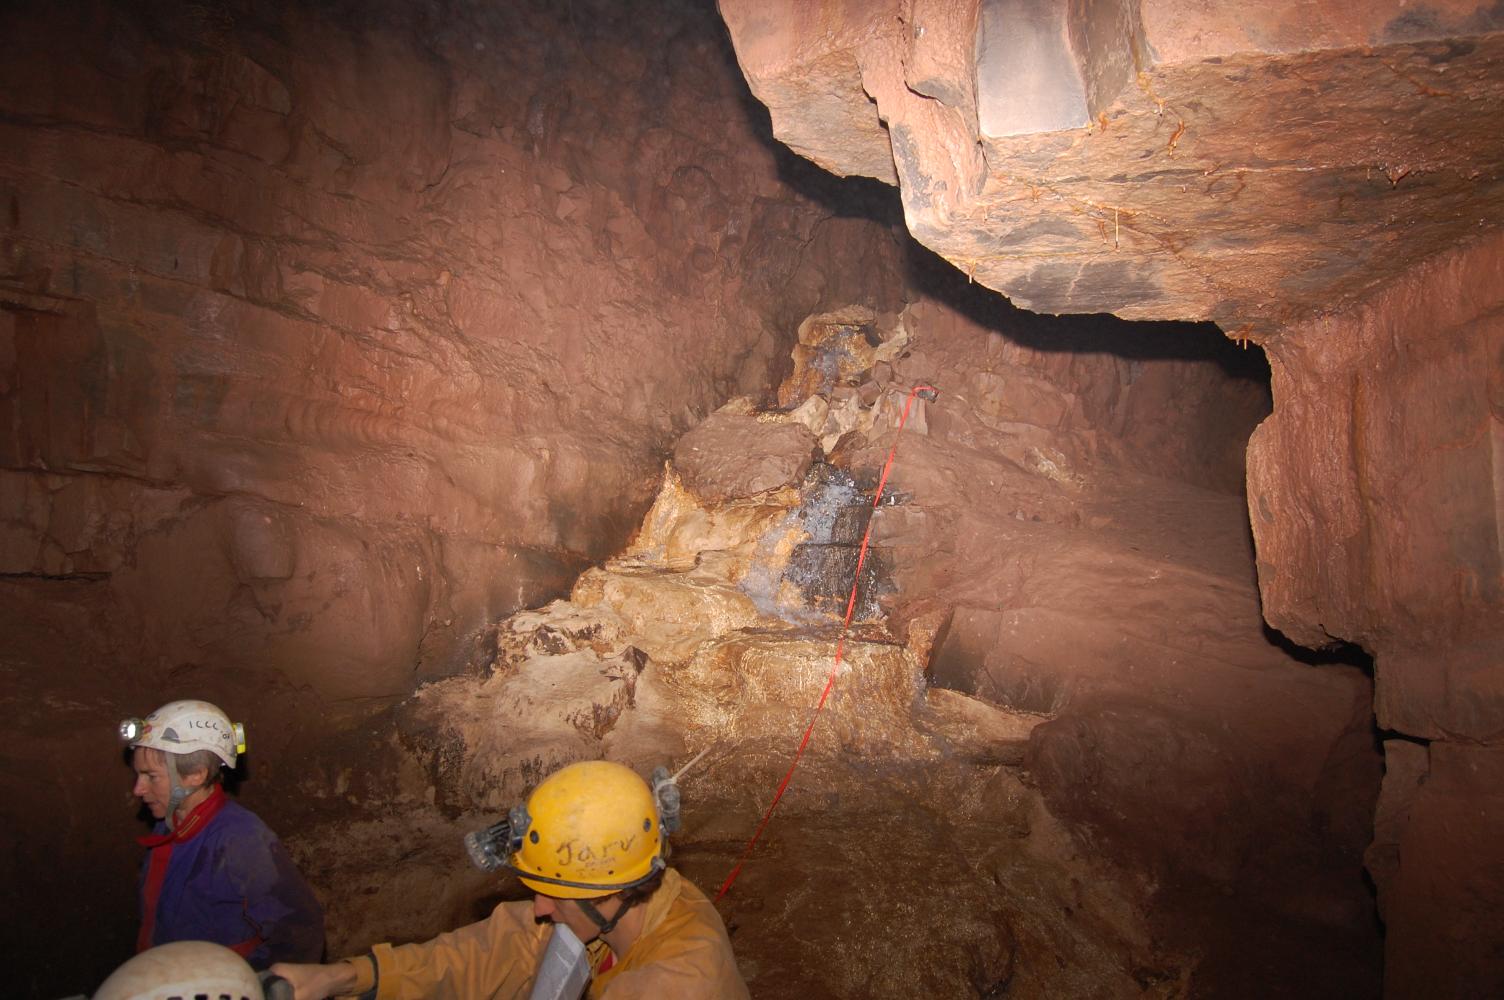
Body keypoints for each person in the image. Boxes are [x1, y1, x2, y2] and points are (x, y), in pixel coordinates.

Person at [271, 759, 748, 1000]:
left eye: (553, 896)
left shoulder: (679, 984)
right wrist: (342, 977)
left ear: (612, 893)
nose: (540, 908)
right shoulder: (613, 912)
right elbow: (491, 950)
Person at [123, 699, 325, 969]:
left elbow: (299, 932)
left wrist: (254, 984)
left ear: (196, 775)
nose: (138, 789)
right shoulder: (171, 825)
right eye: (138, 775)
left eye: (151, 776)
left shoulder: (240, 839)